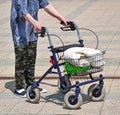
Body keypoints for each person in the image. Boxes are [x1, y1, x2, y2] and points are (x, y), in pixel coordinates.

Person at [10, 0, 67, 97]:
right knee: (21, 58)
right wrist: (36, 23)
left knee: (31, 57)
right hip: (20, 30)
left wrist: (61, 18)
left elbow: (47, 5)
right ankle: (19, 87)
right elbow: (23, 12)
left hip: (32, 30)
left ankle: (31, 84)